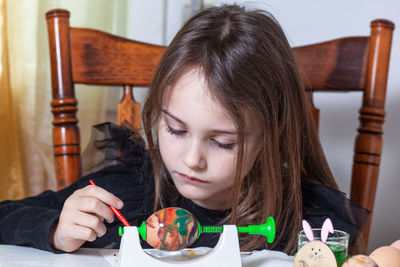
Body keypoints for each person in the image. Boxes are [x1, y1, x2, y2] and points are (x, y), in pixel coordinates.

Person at [0, 4, 368, 255]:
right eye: (175, 130)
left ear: (270, 136)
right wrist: (56, 232)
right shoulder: (125, 192)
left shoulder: (311, 224)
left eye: (224, 142)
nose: (192, 160)